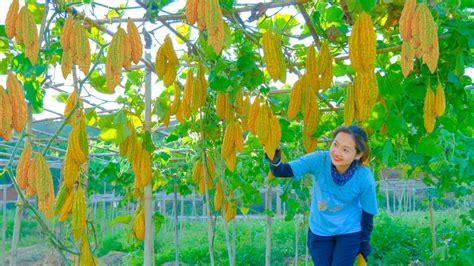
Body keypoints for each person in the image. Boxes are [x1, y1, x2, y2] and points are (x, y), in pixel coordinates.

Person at [265, 125, 378, 266]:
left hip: (349, 231)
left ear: (358, 155)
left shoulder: (364, 177)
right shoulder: (319, 160)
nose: (336, 152)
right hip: (320, 230)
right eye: (335, 144)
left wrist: (364, 241)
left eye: (345, 150)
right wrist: (274, 159)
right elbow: (282, 171)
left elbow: (368, 213)